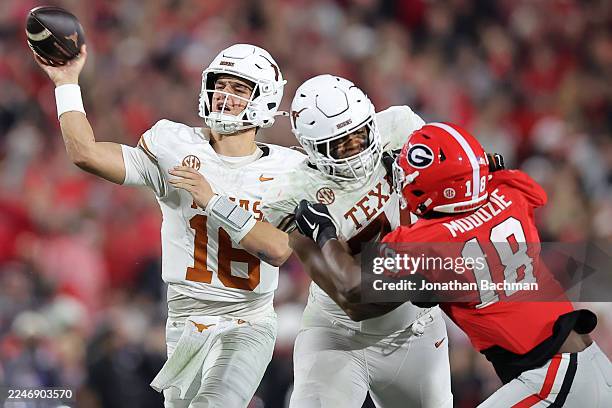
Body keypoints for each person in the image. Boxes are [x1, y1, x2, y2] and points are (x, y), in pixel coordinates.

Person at [33, 43, 305, 408]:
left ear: (266, 100)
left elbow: (278, 249)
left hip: (246, 320)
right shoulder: (174, 145)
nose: (224, 96)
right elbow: (86, 153)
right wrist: (66, 82)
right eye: (220, 85)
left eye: (239, 89)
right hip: (184, 319)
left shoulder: (288, 169)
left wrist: (213, 200)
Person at [293, 122, 612, 407]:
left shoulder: (427, 241)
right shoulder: (511, 192)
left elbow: (351, 285)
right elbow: (519, 186)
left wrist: (325, 234)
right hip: (593, 363)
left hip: (554, 381)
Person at [261, 75, 453, 408]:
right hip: (336, 336)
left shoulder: (401, 128)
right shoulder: (295, 193)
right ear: (312, 148)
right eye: (340, 145)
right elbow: (353, 300)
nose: (356, 151)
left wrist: (423, 177)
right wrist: (425, 281)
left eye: (360, 135)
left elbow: (457, 189)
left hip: (415, 332)